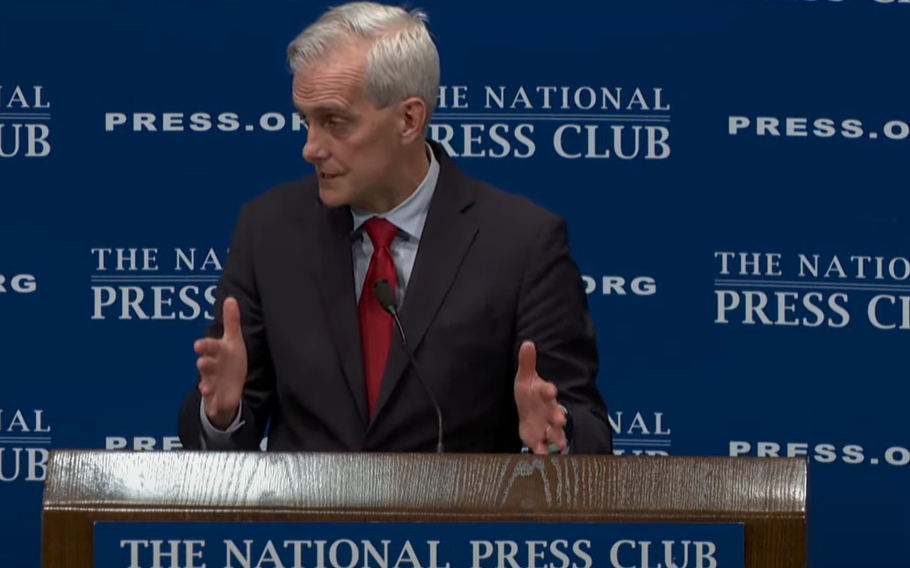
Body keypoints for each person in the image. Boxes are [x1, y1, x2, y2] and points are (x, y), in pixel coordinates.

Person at [177, 1, 612, 454]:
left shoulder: (521, 242)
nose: (310, 148)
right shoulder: (267, 230)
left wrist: (558, 435)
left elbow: (587, 427)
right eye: (305, 121)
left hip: (453, 524)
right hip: (306, 525)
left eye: (334, 122)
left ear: (409, 119)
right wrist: (221, 414)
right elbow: (220, 428)